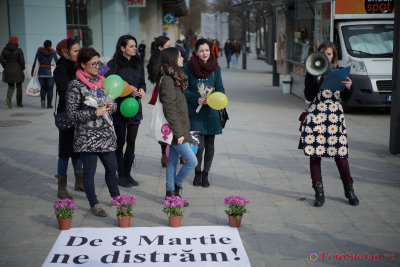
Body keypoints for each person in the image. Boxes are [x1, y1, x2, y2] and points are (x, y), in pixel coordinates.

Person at [299, 41, 359, 207]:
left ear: (334, 57)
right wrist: (318, 79)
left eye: (329, 54)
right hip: (316, 116)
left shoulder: (340, 72)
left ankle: (349, 191)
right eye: (323, 53)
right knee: (315, 155)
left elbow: (346, 98)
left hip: (334, 117)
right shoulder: (312, 72)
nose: (326, 56)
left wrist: (349, 88)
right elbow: (309, 96)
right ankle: (319, 193)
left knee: (340, 155)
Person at [66, 47, 120, 217]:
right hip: (87, 136)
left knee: (112, 167)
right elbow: (72, 114)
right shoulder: (76, 85)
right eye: (93, 63)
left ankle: (116, 198)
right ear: (83, 64)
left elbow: (112, 103)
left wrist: (111, 106)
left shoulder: (103, 81)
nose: (97, 66)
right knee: (89, 171)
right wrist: (94, 112)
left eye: (99, 62)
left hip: (104, 133)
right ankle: (94, 204)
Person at [152, 47, 197, 200]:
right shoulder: (168, 80)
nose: (182, 59)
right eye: (179, 56)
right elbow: (169, 109)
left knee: (172, 162)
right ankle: (177, 186)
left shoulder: (175, 77)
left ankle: (170, 193)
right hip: (176, 130)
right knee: (192, 161)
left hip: (178, 127)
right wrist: (178, 133)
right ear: (172, 59)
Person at [184, 38, 225, 187]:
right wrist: (197, 98)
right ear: (196, 52)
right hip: (195, 112)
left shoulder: (216, 68)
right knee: (198, 146)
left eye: (207, 50)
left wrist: (212, 99)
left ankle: (206, 173)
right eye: (201, 50)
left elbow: (221, 90)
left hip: (211, 113)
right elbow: (184, 89)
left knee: (210, 145)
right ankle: (197, 172)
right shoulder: (188, 67)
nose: (204, 53)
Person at [105, 34, 145, 187]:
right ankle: (120, 174)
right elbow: (105, 83)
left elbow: (143, 82)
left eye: (135, 46)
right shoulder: (112, 64)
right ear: (123, 48)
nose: (135, 48)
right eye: (131, 46)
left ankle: (128, 174)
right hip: (119, 109)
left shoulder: (138, 63)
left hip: (135, 107)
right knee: (120, 141)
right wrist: (126, 89)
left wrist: (142, 90)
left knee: (132, 141)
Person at [53, 38, 83, 200]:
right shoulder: (60, 69)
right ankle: (62, 187)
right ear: (66, 52)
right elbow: (65, 91)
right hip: (67, 115)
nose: (79, 53)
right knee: (65, 151)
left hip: (81, 114)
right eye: (75, 51)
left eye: (79, 49)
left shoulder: (79, 66)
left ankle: (79, 182)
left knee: (78, 148)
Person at [147, 35, 173, 167]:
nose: (171, 48)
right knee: (165, 124)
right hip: (163, 95)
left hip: (175, 94)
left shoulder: (172, 56)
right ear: (160, 47)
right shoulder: (155, 60)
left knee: (177, 123)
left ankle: (177, 152)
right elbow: (154, 78)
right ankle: (165, 153)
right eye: (168, 46)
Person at [31, 40, 58, 108]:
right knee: (50, 89)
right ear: (50, 45)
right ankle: (49, 105)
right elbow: (56, 63)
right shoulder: (53, 53)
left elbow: (36, 63)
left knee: (43, 88)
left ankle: (43, 101)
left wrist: (33, 72)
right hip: (50, 73)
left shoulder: (39, 52)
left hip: (41, 73)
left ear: (44, 45)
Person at [0, 36, 25, 109]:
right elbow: (21, 61)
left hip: (8, 70)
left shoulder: (4, 50)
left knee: (11, 86)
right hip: (17, 70)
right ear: (16, 42)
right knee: (19, 87)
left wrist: (5, 66)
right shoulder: (19, 50)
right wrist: (22, 68)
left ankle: (8, 98)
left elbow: (1, 60)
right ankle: (19, 104)